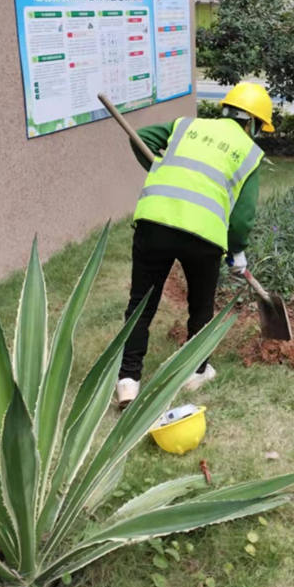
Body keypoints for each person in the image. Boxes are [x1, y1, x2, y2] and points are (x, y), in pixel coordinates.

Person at [115, 82, 274, 408]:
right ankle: (195, 371)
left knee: (141, 304)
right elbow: (241, 218)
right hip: (203, 235)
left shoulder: (186, 125)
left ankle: (128, 381)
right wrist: (238, 251)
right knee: (200, 305)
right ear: (253, 123)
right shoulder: (249, 152)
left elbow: (141, 138)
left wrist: (163, 171)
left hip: (154, 220)